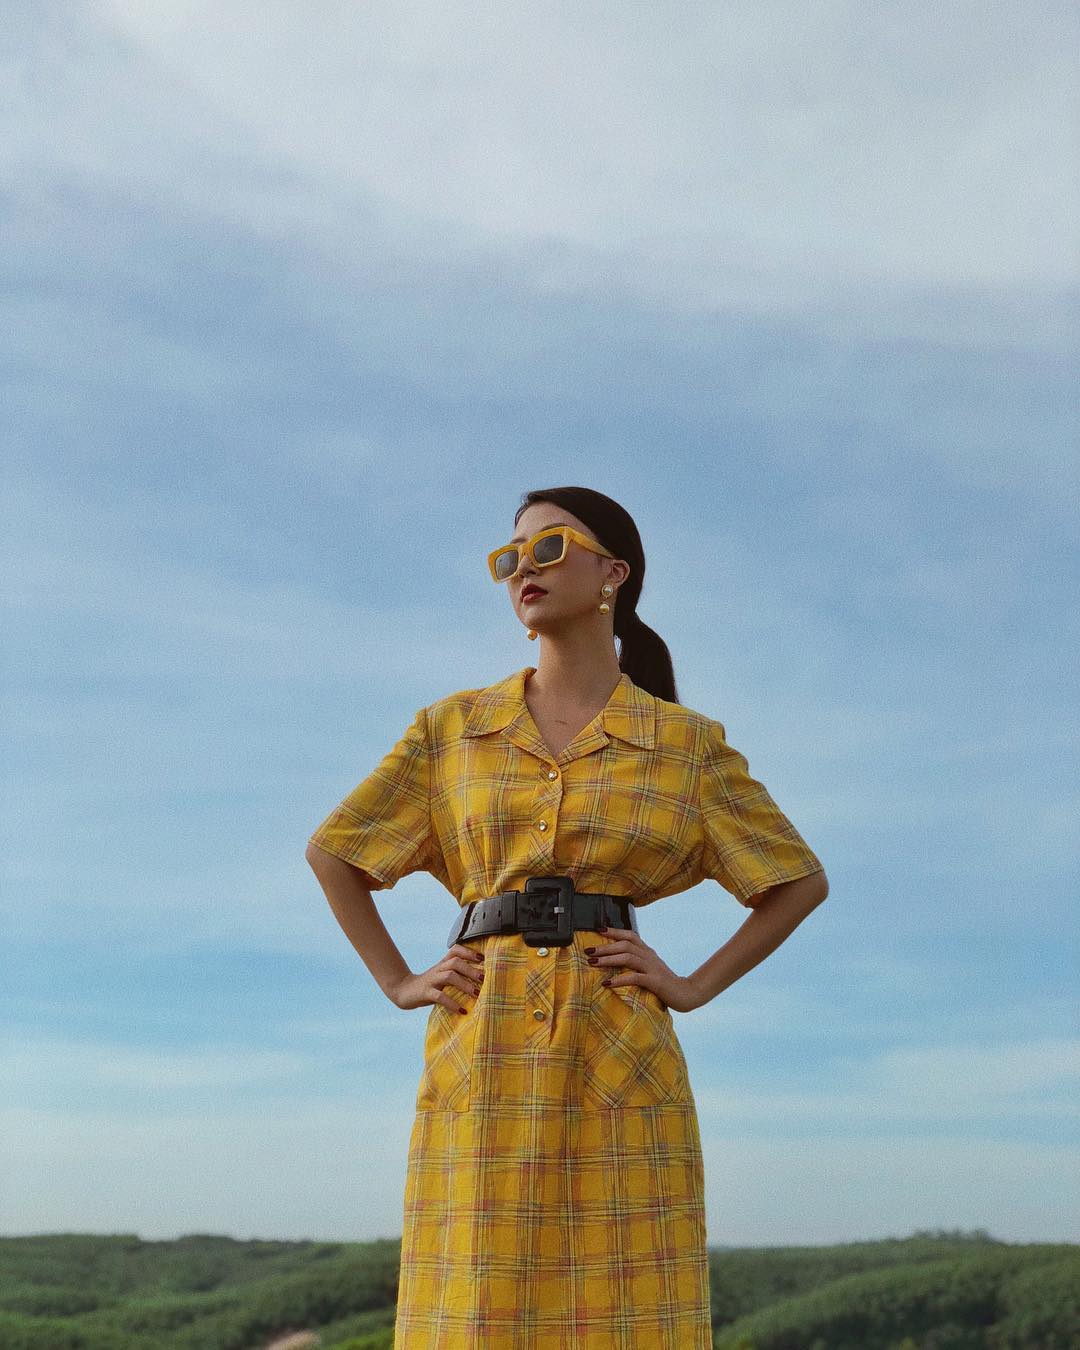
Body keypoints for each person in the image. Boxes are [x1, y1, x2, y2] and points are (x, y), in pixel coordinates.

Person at [305, 485, 828, 1349]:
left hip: (619, 1046)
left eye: (549, 547)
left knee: (627, 1306)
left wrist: (693, 985)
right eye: (510, 557)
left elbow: (795, 880)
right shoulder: (453, 729)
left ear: (613, 573)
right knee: (472, 1308)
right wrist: (398, 981)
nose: (524, 568)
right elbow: (337, 853)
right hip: (482, 1041)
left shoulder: (685, 744)